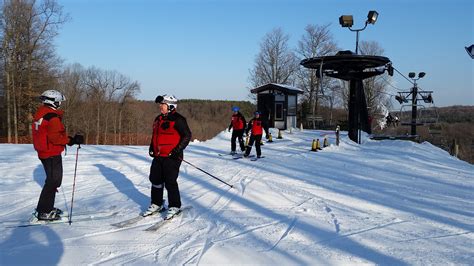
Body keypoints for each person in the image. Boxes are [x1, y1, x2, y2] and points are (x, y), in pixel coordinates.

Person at [32, 90, 83, 221]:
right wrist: (72, 140)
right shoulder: (52, 117)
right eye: (58, 101)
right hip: (51, 153)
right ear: (52, 102)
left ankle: (46, 208)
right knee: (53, 181)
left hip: (44, 152)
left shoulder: (41, 113)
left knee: (52, 181)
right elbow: (55, 138)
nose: (60, 104)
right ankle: (44, 211)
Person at [145, 94, 192, 219]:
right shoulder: (158, 119)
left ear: (170, 106)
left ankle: (174, 206)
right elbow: (155, 136)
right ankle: (157, 203)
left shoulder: (178, 119)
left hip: (172, 157)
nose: (160, 106)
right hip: (159, 156)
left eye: (163, 104)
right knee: (155, 179)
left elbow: (187, 136)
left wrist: (177, 151)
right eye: (160, 104)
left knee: (170, 181)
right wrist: (151, 148)